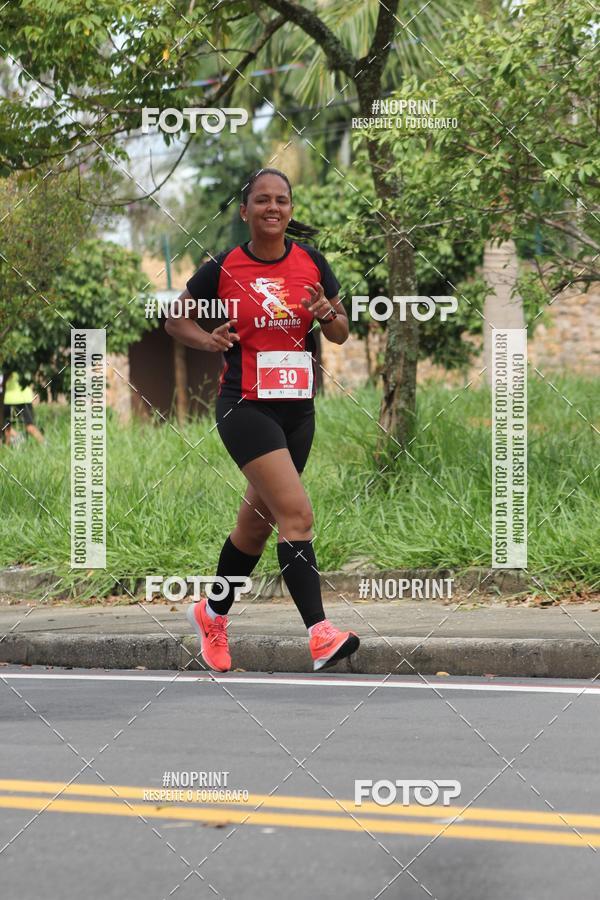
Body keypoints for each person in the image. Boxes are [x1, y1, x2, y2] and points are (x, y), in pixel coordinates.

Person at [166, 167, 360, 673]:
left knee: (253, 529)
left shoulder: (311, 261)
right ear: (245, 210)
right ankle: (320, 635)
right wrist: (207, 339)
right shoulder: (224, 266)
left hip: (298, 409)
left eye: (282, 200)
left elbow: (340, 331)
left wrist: (326, 314)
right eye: (262, 200)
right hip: (245, 407)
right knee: (297, 515)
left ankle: (211, 614)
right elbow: (174, 317)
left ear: (290, 210)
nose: (273, 208)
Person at [2, 372, 44, 446]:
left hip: (16, 398)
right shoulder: (23, 364)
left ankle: (44, 445)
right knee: (7, 427)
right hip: (15, 398)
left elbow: (4, 380)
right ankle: (15, 441)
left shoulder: (8, 365)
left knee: (29, 427)